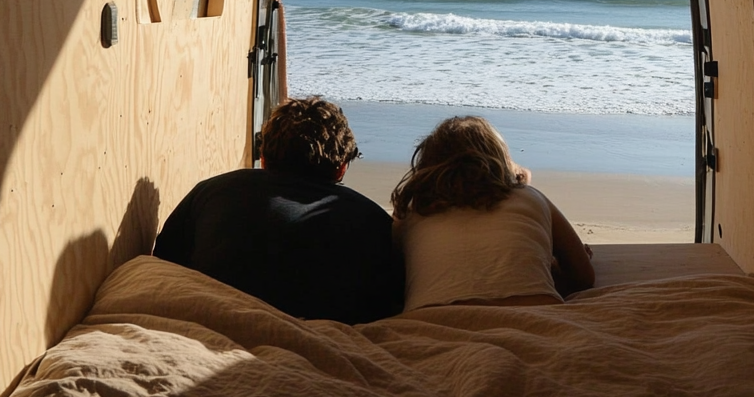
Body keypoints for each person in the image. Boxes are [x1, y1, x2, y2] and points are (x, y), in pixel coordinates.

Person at [154, 96, 402, 323]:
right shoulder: (372, 219)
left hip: (212, 318)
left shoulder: (212, 191)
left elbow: (165, 263)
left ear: (263, 157)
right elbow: (386, 302)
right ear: (341, 169)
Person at [391, 115, 595, 311]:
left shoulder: (410, 212)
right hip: (536, 313)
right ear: (501, 159)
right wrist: (546, 267)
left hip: (433, 319)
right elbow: (584, 278)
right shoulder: (531, 197)